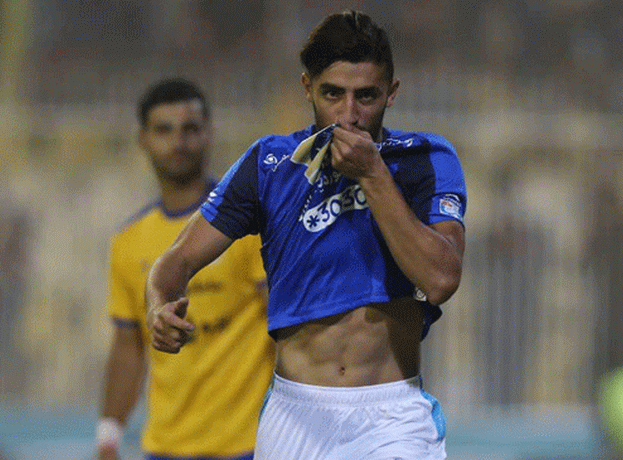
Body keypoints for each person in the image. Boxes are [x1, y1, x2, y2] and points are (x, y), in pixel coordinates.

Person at [146, 11, 467, 460]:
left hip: (391, 417)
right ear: (307, 87)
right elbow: (175, 261)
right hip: (294, 417)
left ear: (391, 92)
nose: (349, 115)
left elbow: (441, 279)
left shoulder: (424, 159)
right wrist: (158, 306)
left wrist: (374, 174)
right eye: (333, 94)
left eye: (366, 96)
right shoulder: (270, 164)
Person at [97, 78, 274, 460]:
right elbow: (129, 344)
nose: (178, 142)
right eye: (164, 130)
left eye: (190, 129)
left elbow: (284, 324)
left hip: (248, 444)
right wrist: (108, 436)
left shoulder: (248, 225)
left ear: (208, 134)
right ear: (143, 138)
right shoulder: (128, 241)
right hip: (164, 447)